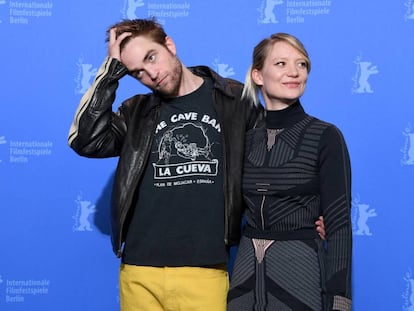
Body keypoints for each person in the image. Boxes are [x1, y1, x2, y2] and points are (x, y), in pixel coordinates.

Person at [68, 18, 325, 311]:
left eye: (152, 57)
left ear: (169, 45)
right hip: (138, 270)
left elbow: (274, 160)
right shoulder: (136, 112)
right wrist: (110, 73)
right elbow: (85, 141)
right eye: (137, 71)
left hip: (204, 269)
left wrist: (312, 211)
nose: (151, 73)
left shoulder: (235, 100)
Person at [227, 33, 352, 311]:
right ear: (258, 75)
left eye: (302, 64)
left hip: (302, 275)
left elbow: (340, 227)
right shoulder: (242, 138)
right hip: (244, 277)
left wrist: (339, 300)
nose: (294, 72)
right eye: (281, 63)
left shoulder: (326, 136)